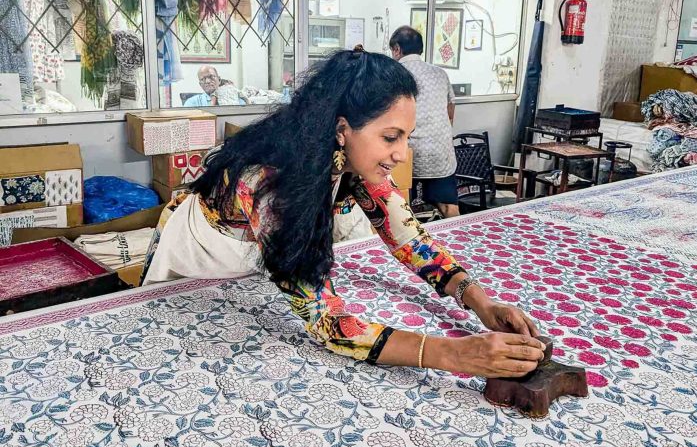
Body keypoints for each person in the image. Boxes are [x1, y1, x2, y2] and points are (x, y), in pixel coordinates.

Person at [141, 46, 545, 378]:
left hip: (247, 255)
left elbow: (407, 238)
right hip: (197, 264)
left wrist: (481, 302)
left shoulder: (349, 158)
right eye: (391, 137)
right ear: (341, 129)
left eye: (405, 137)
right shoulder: (269, 181)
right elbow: (327, 322)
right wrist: (454, 355)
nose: (402, 154)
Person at [389, 26, 460, 219]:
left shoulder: (393, 74)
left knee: (400, 209)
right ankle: (455, 243)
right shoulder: (440, 73)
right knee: (448, 208)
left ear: (396, 49)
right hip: (440, 151)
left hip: (406, 152)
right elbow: (450, 111)